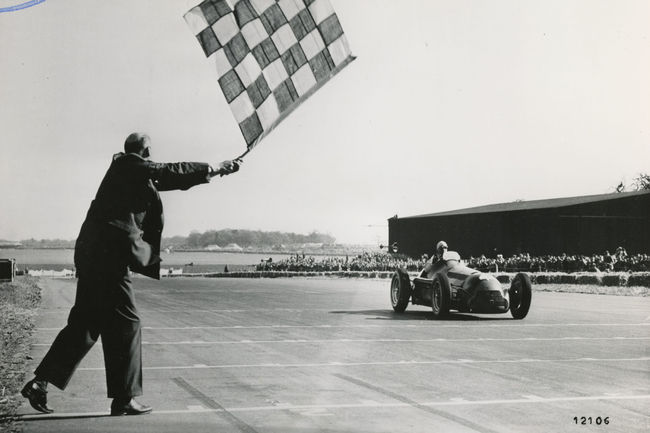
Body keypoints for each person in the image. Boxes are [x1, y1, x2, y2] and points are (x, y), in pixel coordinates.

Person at [21, 133, 241, 416]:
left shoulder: (129, 171)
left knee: (86, 324)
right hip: (108, 258)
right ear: (145, 149)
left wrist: (216, 170)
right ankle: (124, 398)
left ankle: (41, 383)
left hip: (96, 256)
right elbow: (167, 171)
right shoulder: (129, 165)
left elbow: (171, 178)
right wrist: (212, 167)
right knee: (127, 323)